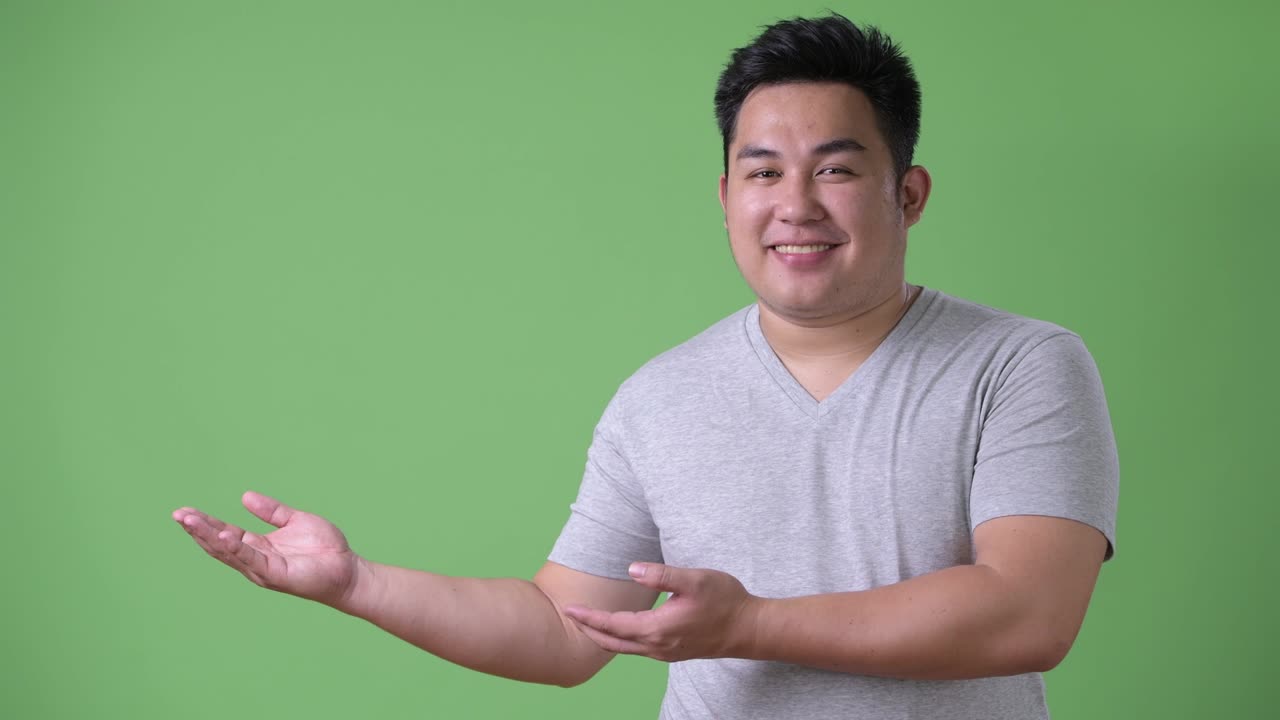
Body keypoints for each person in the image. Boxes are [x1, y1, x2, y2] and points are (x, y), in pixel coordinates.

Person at [173, 13, 1118, 719]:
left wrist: (748, 625)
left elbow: (1026, 615)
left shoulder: (1020, 365)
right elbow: (563, 629)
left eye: (834, 169)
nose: (794, 204)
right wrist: (356, 585)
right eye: (761, 171)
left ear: (905, 193)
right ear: (724, 197)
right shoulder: (660, 397)